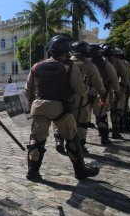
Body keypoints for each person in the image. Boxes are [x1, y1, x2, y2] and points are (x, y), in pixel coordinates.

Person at [25, 34, 99, 181]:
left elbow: (28, 90)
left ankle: (32, 171)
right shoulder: (69, 67)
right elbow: (79, 89)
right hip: (60, 107)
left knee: (36, 140)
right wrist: (85, 87)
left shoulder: (36, 66)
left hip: (38, 107)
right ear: (66, 51)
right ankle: (80, 171)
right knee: (72, 138)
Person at [68, 41, 106, 153]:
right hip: (82, 97)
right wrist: (102, 94)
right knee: (82, 121)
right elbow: (98, 83)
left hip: (64, 97)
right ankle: (79, 145)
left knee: (65, 120)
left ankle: (63, 141)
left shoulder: (65, 63)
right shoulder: (90, 65)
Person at [88, 44, 120, 145]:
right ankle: (104, 137)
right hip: (99, 92)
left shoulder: (86, 64)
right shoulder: (105, 65)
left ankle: (82, 141)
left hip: (87, 93)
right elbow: (114, 80)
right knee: (101, 115)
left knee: (84, 116)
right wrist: (117, 92)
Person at [102, 44, 130, 139]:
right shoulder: (117, 62)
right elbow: (124, 76)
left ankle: (103, 131)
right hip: (113, 88)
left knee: (102, 110)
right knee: (115, 109)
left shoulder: (100, 61)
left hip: (103, 89)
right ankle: (114, 130)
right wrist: (126, 88)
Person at [114, 48, 130, 132]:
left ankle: (122, 125)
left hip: (122, 87)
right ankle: (125, 125)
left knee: (120, 107)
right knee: (123, 106)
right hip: (122, 86)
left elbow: (124, 76)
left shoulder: (123, 63)